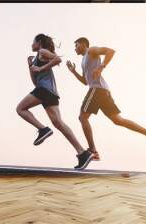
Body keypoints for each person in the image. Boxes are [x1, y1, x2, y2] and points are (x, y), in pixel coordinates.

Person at [66, 37, 146, 161]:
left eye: (76, 45)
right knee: (118, 120)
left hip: (97, 90)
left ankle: (93, 151)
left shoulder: (91, 50)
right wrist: (73, 72)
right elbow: (85, 82)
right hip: (102, 91)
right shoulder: (83, 61)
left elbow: (110, 51)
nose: (75, 48)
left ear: (83, 44)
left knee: (82, 117)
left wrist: (101, 67)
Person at [16, 34, 94, 170]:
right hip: (49, 93)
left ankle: (43, 129)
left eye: (33, 42)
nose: (31, 45)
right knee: (59, 123)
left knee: (20, 109)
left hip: (45, 91)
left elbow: (58, 59)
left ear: (39, 42)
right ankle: (83, 153)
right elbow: (35, 82)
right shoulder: (36, 58)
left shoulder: (42, 51)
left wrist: (40, 68)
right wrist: (30, 66)